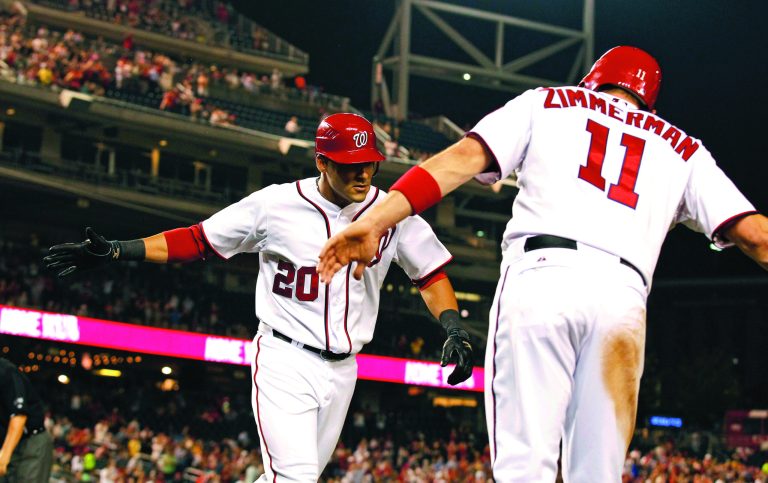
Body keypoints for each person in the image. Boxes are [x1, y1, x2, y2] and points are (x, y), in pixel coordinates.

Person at [317, 46, 768, 481]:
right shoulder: (683, 149)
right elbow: (756, 237)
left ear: (594, 81)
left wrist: (376, 219)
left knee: (523, 468)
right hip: (623, 301)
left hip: (543, 276)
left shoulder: (548, 102)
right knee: (597, 475)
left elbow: (461, 160)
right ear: (647, 101)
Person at [43, 113, 474, 481]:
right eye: (349, 166)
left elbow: (429, 272)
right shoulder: (276, 205)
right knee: (297, 477)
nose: (363, 174)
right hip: (285, 359)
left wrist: (452, 326)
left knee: (285, 477)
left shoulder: (390, 213)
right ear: (322, 161)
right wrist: (121, 249)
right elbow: (199, 240)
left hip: (344, 370)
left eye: (369, 165)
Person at [0, 358, 53, 483]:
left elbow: (19, 416)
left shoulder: (5, 371)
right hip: (7, 443)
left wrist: (4, 456)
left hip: (31, 442)